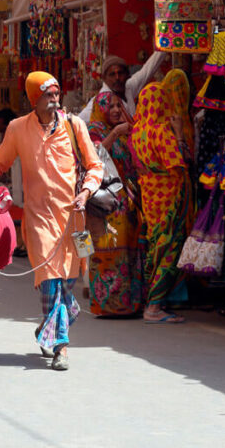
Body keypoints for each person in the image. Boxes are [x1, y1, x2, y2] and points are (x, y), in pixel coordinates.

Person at [0, 72, 103, 371]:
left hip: (73, 219)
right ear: (34, 99)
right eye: (48, 95)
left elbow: (95, 165)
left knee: (67, 287)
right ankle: (62, 348)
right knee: (50, 282)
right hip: (39, 220)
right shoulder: (18, 128)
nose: (55, 100)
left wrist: (85, 192)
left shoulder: (74, 126)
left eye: (57, 94)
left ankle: (49, 327)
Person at [129, 83, 190, 324]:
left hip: (150, 199)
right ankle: (154, 307)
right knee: (170, 248)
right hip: (169, 199)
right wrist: (180, 134)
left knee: (156, 245)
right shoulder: (161, 132)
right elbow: (180, 162)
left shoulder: (137, 132)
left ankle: (152, 300)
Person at [86, 91, 144, 317]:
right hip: (106, 205)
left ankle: (128, 304)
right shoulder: (94, 131)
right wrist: (115, 133)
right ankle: (107, 305)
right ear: (101, 109)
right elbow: (94, 157)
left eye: (118, 105)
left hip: (127, 203)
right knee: (108, 253)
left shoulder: (126, 129)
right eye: (110, 106)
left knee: (128, 254)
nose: (116, 110)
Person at [78, 52, 167, 121]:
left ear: (127, 74)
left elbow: (148, 69)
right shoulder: (102, 99)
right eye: (112, 74)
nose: (117, 78)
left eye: (120, 73)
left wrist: (165, 42)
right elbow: (78, 122)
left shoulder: (128, 87)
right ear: (104, 78)